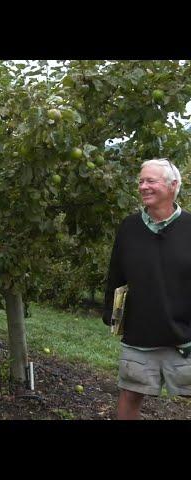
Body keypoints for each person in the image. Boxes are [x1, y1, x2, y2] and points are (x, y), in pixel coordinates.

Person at [103, 158, 191, 420]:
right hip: (139, 335)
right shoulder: (129, 227)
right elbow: (116, 273)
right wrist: (111, 311)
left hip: (184, 337)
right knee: (129, 395)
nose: (143, 186)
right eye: (141, 181)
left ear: (173, 185)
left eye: (150, 181)